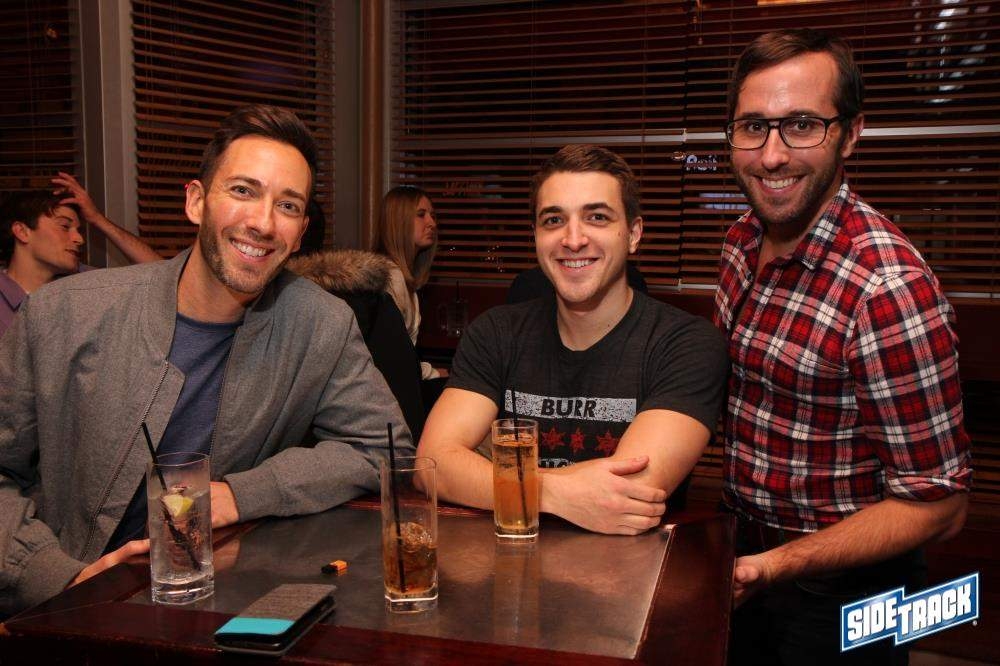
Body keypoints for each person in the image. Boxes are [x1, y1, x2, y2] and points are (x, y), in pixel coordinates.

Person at [0, 104, 411, 616]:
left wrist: (242, 494)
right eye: (243, 191)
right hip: (60, 612)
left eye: (287, 206)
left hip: (212, 610)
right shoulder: (63, 314)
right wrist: (59, 576)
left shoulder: (320, 324)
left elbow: (382, 448)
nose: (262, 223)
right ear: (196, 201)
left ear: (301, 231)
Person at [715, 28, 972, 664]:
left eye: (802, 125)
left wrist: (779, 563)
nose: (772, 156)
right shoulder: (741, 239)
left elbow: (940, 506)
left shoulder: (889, 289)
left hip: (846, 591)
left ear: (851, 134)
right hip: (742, 559)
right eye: (754, 127)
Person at [417, 144, 728, 535]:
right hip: (511, 558)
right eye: (554, 220)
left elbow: (628, 493)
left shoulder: (685, 344)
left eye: (597, 217)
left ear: (633, 234)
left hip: (626, 566)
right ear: (536, 236)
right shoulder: (496, 333)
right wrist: (551, 492)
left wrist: (490, 480)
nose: (573, 239)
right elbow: (432, 465)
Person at [0, 176, 160, 336]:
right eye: (64, 226)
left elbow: (163, 277)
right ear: (22, 232)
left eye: (78, 230)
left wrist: (97, 219)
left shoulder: (85, 283)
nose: (79, 239)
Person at [371, 185, 447, 379]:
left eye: (432, 215)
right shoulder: (391, 278)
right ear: (399, 222)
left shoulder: (405, 280)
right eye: (421, 215)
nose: (432, 223)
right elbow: (389, 358)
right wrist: (432, 373)